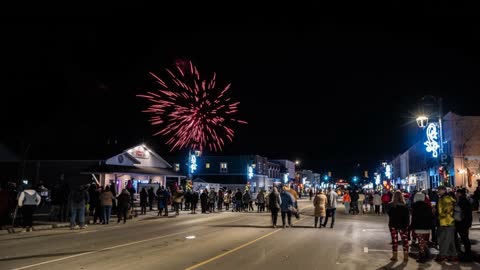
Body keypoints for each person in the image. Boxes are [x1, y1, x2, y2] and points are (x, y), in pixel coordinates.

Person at [435, 186, 457, 263]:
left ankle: (443, 255)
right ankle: (453, 255)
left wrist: (440, 215)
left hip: (446, 222)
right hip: (448, 222)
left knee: (445, 240)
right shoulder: (447, 197)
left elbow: (447, 210)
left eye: (439, 190)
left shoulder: (446, 198)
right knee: (450, 239)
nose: (438, 192)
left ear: (443, 190)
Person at [387, 190, 410, 262]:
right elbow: (407, 217)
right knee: (405, 241)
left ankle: (395, 256)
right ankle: (405, 257)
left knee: (395, 241)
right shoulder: (405, 206)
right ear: (401, 196)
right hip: (403, 225)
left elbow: (389, 214)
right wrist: (407, 225)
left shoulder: (391, 205)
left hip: (393, 224)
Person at [411, 192, 434, 263]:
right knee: (424, 242)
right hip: (426, 227)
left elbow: (414, 218)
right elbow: (431, 217)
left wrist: (411, 227)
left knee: (421, 242)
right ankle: (426, 254)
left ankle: (423, 256)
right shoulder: (427, 206)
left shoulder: (415, 207)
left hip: (419, 228)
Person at [454, 188, 472, 262]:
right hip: (464, 223)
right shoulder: (465, 200)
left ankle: (467, 255)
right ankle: (467, 253)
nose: (456, 194)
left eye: (457, 193)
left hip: (462, 223)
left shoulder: (462, 201)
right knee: (465, 238)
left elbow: (463, 213)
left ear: (459, 194)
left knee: (464, 238)